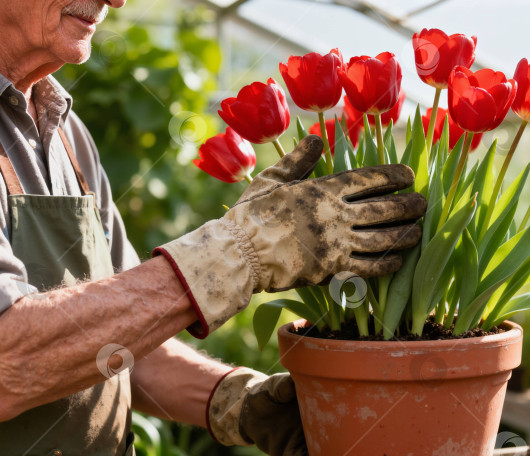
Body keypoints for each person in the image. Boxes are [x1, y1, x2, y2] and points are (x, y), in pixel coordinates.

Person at [0, 1, 426, 454]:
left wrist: (234, 400)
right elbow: (11, 363)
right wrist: (238, 252)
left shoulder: (65, 130)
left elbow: (116, 345)